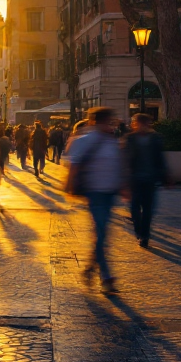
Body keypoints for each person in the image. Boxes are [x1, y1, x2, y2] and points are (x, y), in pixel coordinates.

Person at [66, 107, 125, 293]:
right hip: (94, 191)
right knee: (101, 235)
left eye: (111, 122)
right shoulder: (85, 140)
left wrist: (124, 186)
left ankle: (91, 268)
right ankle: (106, 277)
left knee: (102, 234)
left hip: (110, 192)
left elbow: (119, 165)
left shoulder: (113, 142)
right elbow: (73, 164)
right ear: (95, 122)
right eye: (107, 122)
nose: (110, 125)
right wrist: (69, 185)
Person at [124, 113, 167, 248]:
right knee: (134, 208)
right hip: (134, 179)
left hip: (150, 178)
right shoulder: (130, 139)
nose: (142, 126)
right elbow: (125, 160)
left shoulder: (155, 138)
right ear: (135, 124)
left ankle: (145, 235)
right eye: (139, 123)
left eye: (144, 123)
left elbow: (160, 158)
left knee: (148, 209)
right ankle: (139, 230)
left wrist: (165, 175)